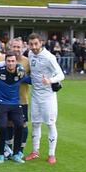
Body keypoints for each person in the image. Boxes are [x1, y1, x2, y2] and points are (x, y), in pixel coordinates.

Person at [25, 33, 65, 164]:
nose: (34, 47)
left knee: (50, 124)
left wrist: (51, 80)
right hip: (35, 95)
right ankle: (35, 151)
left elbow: (61, 74)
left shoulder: (49, 57)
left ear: (41, 43)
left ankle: (51, 154)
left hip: (48, 97)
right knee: (35, 123)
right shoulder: (30, 54)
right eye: (31, 44)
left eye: (36, 44)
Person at [0, 53, 28, 163]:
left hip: (15, 104)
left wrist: (50, 82)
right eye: (8, 61)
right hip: (1, 103)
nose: (11, 63)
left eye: (13, 61)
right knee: (2, 127)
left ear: (16, 62)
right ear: (5, 62)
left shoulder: (20, 73)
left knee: (20, 125)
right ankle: (1, 154)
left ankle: (16, 154)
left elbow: (32, 80)